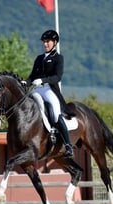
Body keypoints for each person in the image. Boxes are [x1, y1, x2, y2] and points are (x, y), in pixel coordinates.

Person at [25, 29, 75, 157]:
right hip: (36, 89)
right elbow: (32, 76)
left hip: (49, 89)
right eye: (44, 42)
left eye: (48, 42)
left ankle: (68, 146)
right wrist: (26, 82)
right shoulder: (39, 58)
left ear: (55, 42)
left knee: (55, 113)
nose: (45, 44)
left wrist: (42, 80)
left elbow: (57, 77)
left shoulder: (58, 58)